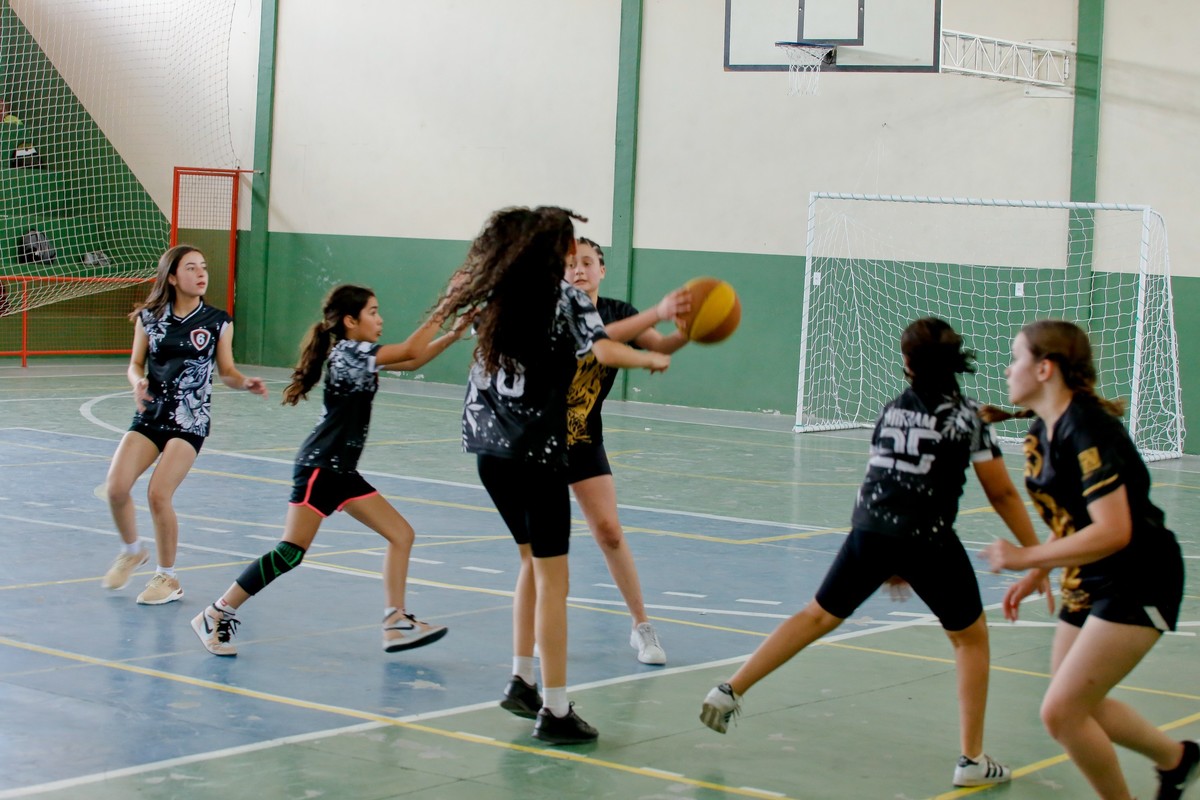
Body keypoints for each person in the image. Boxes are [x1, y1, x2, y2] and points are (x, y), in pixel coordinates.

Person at [699, 317, 1048, 788]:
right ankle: (971, 760)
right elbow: (1002, 494)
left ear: (907, 363)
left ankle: (730, 688)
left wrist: (888, 557)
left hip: (869, 531)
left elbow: (880, 478)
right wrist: (1036, 554)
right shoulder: (968, 417)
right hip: (927, 538)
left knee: (816, 616)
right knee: (970, 639)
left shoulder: (891, 411)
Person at [441, 206, 670, 744]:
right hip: (537, 452)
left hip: (489, 452)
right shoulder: (564, 298)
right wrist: (647, 360)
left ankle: (521, 678)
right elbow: (605, 346)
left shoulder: (495, 294)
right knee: (553, 580)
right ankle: (557, 709)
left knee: (530, 562)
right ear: (557, 250)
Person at [980, 319, 1197, 800]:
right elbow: (1071, 518)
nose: (1008, 368)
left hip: (1140, 577)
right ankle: (1177, 760)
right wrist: (1039, 570)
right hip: (1093, 575)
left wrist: (1026, 556)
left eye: (1016, 357)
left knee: (1061, 712)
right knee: (1079, 703)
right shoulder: (1040, 432)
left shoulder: (1088, 429)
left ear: (1045, 368)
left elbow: (1114, 531)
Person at [191, 284, 466, 657]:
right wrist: (446, 305)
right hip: (320, 468)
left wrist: (452, 334)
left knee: (401, 535)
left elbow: (413, 361)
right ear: (350, 321)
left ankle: (396, 621)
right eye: (373, 312)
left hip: (341, 472)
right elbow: (411, 350)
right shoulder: (350, 352)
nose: (380, 319)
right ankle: (216, 613)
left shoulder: (360, 355)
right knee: (290, 552)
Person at [102, 245, 267, 604]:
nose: (201, 273)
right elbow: (134, 364)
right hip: (151, 415)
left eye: (203, 266)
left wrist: (244, 383)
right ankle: (132, 550)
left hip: (189, 420)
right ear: (173, 277)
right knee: (116, 488)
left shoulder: (218, 322)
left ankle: (168, 577)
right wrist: (137, 382)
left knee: (158, 494)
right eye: (191, 268)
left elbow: (227, 371)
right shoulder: (149, 318)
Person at [563, 237, 690, 665]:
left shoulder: (619, 311)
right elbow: (598, 340)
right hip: (538, 441)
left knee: (610, 532)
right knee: (543, 544)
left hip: (583, 437)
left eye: (587, 262)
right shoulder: (556, 311)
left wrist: (690, 331)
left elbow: (659, 344)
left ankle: (641, 626)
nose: (578, 270)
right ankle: (542, 630)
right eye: (570, 264)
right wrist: (657, 313)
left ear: (602, 269)